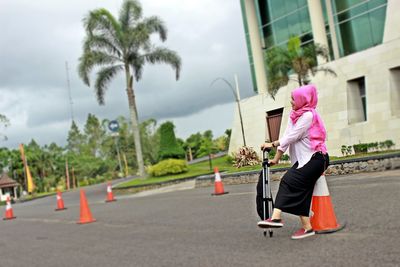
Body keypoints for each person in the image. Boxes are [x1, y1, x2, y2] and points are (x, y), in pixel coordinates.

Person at [257, 84, 329, 240]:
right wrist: (276, 158)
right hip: (305, 160)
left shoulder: (309, 115)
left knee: (289, 181)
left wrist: (272, 144)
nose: (291, 101)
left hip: (317, 158)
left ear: (303, 99)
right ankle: (307, 228)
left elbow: (293, 136)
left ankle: (275, 218)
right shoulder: (294, 114)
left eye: (293, 99)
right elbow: (287, 136)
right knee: (302, 191)